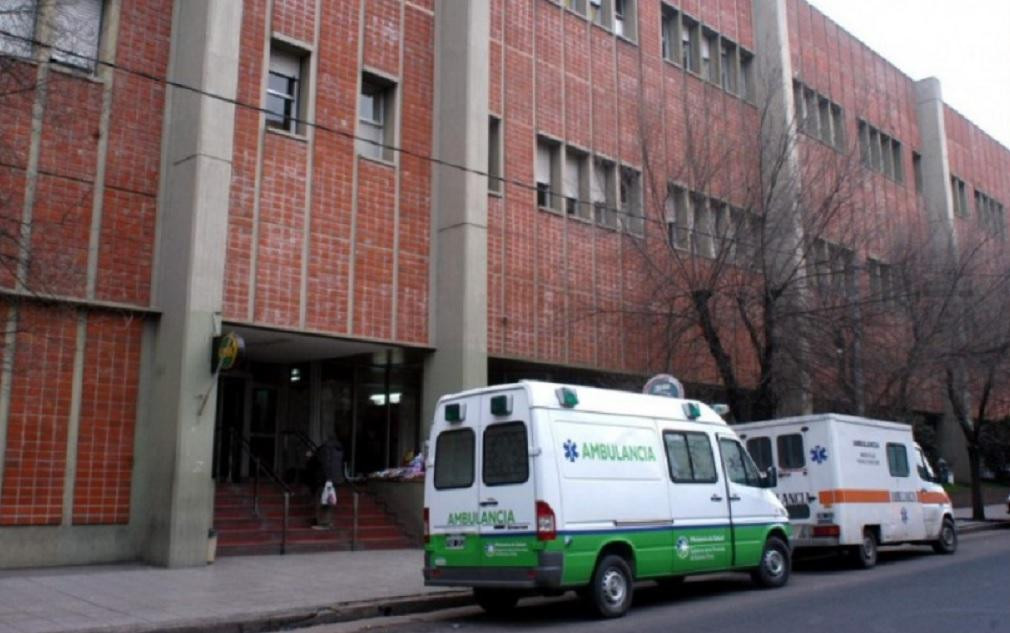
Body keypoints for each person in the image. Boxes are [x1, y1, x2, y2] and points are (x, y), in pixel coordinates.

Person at [311, 436, 345, 529]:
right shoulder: (338, 450)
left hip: (324, 479)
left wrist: (312, 455)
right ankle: (328, 521)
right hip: (335, 479)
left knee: (322, 500)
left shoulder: (324, 450)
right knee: (329, 500)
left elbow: (320, 462)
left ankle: (322, 523)